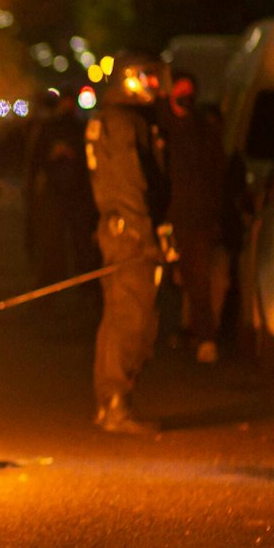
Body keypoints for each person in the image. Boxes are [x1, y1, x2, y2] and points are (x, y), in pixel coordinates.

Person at [86, 53, 169, 434]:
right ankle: (117, 403)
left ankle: (111, 402)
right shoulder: (122, 122)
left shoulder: (114, 118)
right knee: (132, 317)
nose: (153, 88)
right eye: (146, 80)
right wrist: (144, 234)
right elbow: (129, 183)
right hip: (129, 233)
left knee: (118, 315)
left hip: (117, 228)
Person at [159, 71, 225, 364]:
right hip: (164, 216)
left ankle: (204, 337)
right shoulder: (160, 126)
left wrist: (213, 213)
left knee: (198, 281)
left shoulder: (202, 129)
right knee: (163, 279)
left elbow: (214, 172)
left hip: (195, 218)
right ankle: (167, 333)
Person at [22, 88, 99, 306]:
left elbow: (90, 161)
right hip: (54, 195)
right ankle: (49, 292)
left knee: (82, 245)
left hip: (78, 195)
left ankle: (87, 291)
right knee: (52, 247)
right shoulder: (47, 128)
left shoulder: (80, 128)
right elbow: (34, 161)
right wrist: (51, 156)